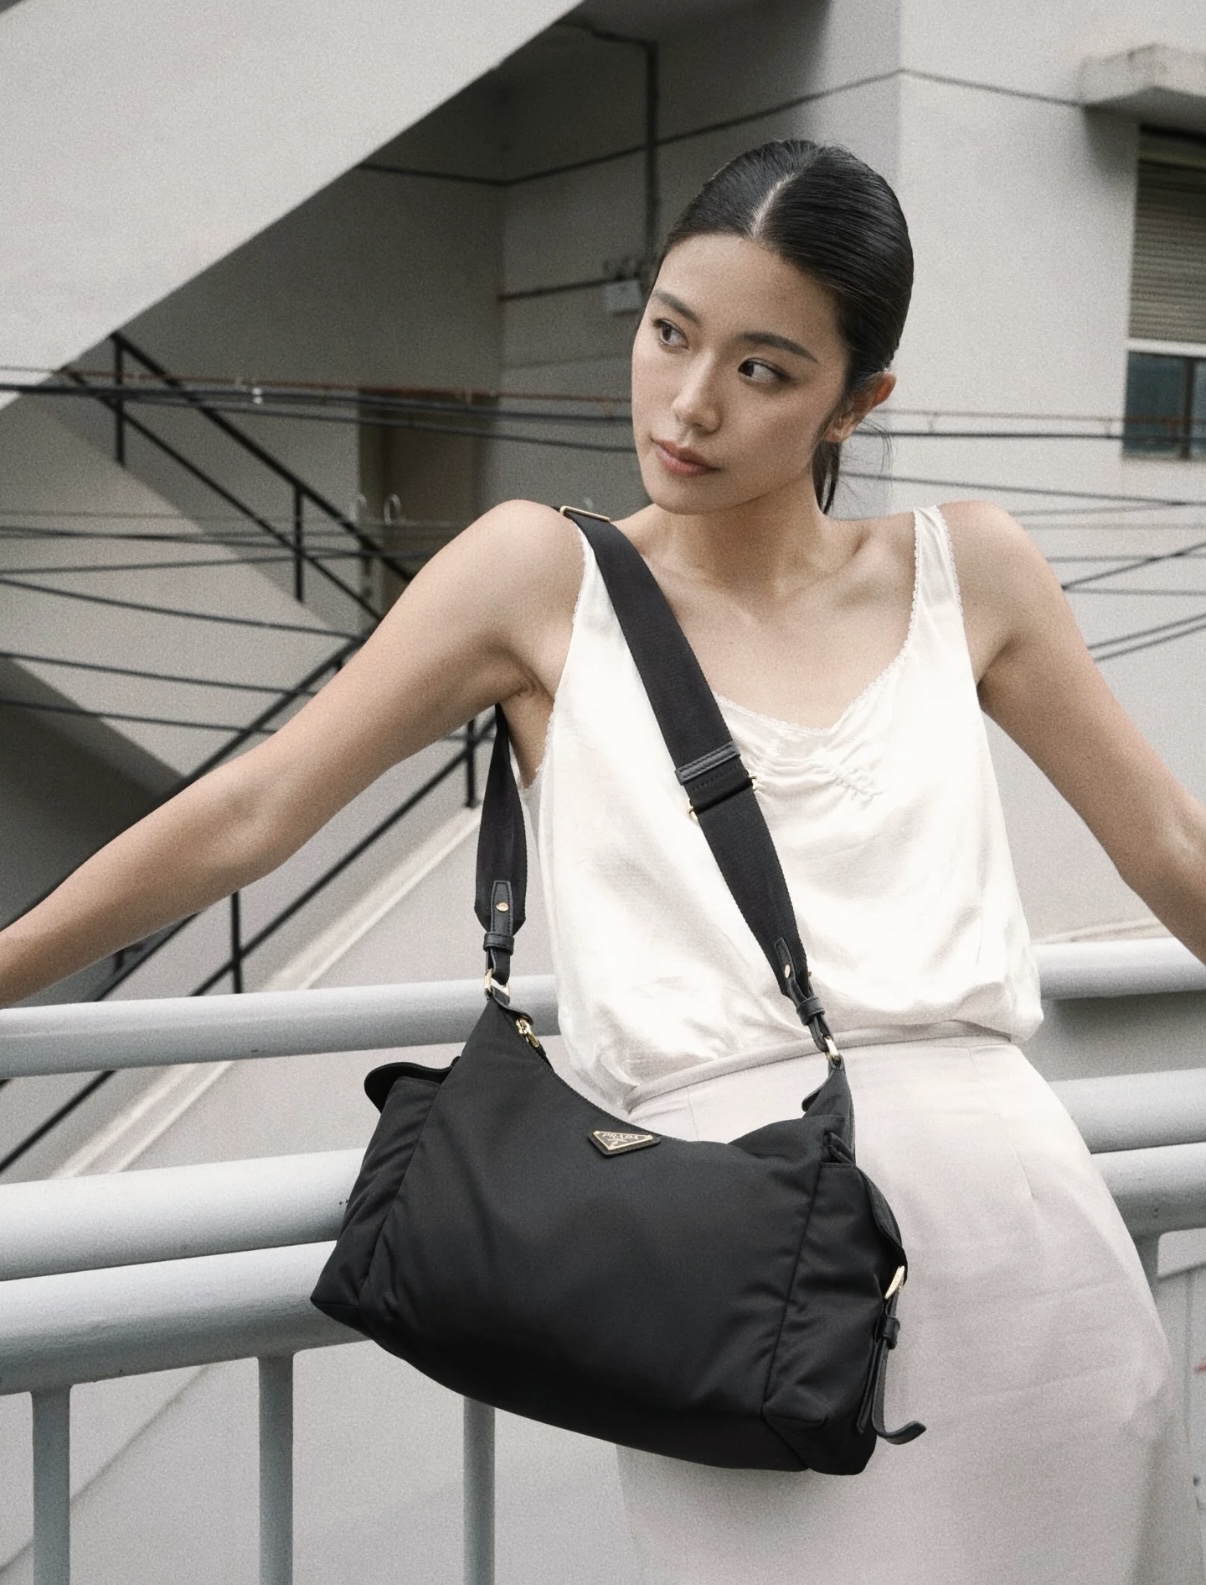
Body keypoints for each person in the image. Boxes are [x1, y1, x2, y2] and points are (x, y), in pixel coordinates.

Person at [1, 139, 1203, 1582]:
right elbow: (255, 809)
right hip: (738, 1284)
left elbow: (1167, 844)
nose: (689, 403)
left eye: (762, 370)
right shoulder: (537, 575)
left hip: (1031, 1250)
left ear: (855, 401)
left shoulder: (970, 567)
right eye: (670, 334)